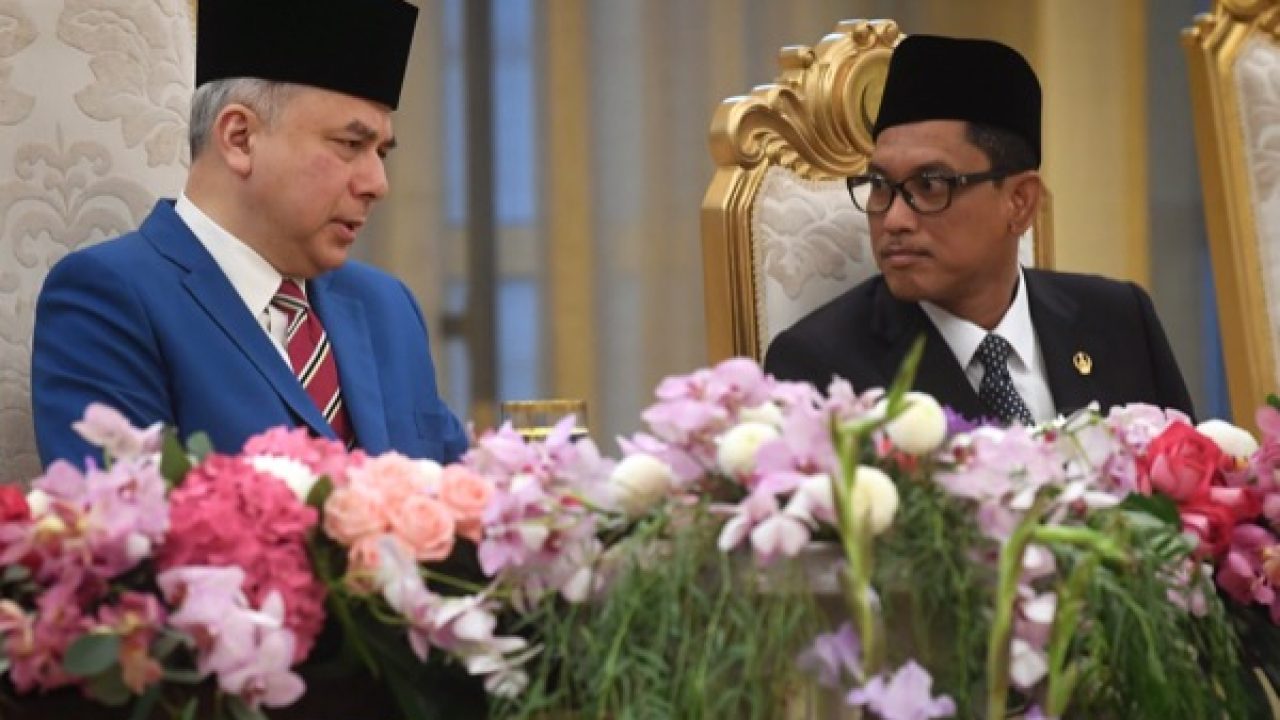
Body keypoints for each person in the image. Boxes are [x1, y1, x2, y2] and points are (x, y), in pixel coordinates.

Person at [31, 0, 468, 468]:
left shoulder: (387, 306)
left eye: (381, 152)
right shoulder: (112, 298)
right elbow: (124, 508)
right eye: (350, 144)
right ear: (239, 138)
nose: (377, 184)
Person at [764, 34, 1194, 423]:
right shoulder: (821, 367)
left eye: (930, 185)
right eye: (879, 185)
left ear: (1020, 202)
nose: (894, 220)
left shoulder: (1120, 319)